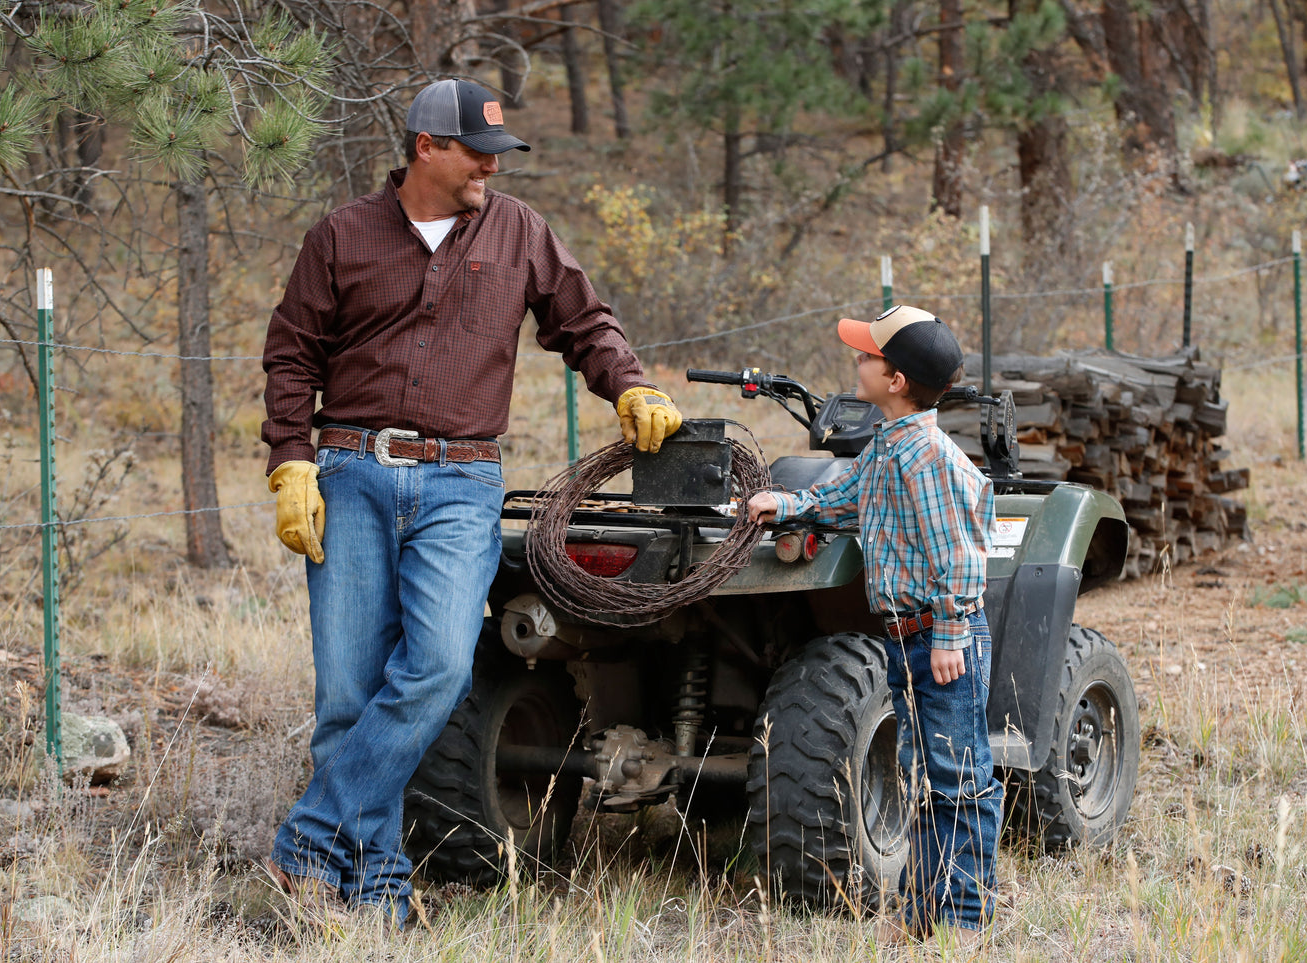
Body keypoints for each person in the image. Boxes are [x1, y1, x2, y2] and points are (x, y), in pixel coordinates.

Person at [259, 78, 682, 928]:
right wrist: (292, 461)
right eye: (474, 150)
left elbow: (584, 323)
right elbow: (292, 355)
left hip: (462, 480)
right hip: (350, 472)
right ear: (424, 146)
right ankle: (373, 888)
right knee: (347, 697)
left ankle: (308, 842)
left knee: (440, 666)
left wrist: (628, 385)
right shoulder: (341, 235)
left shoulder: (519, 230)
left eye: (498, 151)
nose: (491, 164)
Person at [745, 305, 998, 946]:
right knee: (920, 776)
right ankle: (919, 914)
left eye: (867, 355)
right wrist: (792, 503)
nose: (855, 361)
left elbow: (961, 559)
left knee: (959, 780)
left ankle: (965, 921)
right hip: (905, 638)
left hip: (943, 640)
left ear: (896, 381)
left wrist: (946, 633)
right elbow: (850, 492)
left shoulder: (931, 461)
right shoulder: (890, 443)